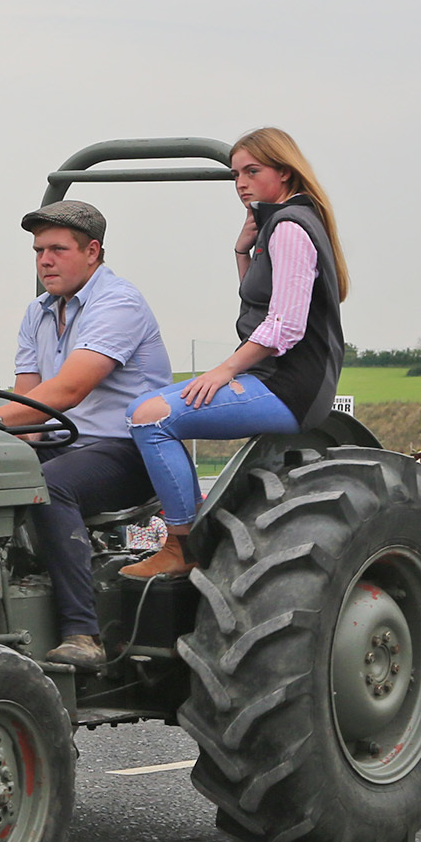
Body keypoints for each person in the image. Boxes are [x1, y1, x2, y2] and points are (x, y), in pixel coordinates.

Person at [0, 199, 173, 670]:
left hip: (129, 448)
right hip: (63, 442)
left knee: (52, 486)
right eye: (38, 250)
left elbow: (68, 390)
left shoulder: (118, 303)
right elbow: (30, 402)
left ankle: (82, 632)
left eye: (57, 249)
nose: (45, 260)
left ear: (92, 252)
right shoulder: (39, 313)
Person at [121, 128, 349, 580]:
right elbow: (259, 296)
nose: (241, 183)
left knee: (152, 417)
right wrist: (242, 251)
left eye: (252, 171)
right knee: (139, 410)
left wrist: (225, 369)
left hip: (288, 386)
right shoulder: (280, 224)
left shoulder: (289, 226)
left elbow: (284, 325)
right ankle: (179, 527)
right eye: (235, 174)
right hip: (272, 376)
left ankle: (182, 546)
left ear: (284, 173)